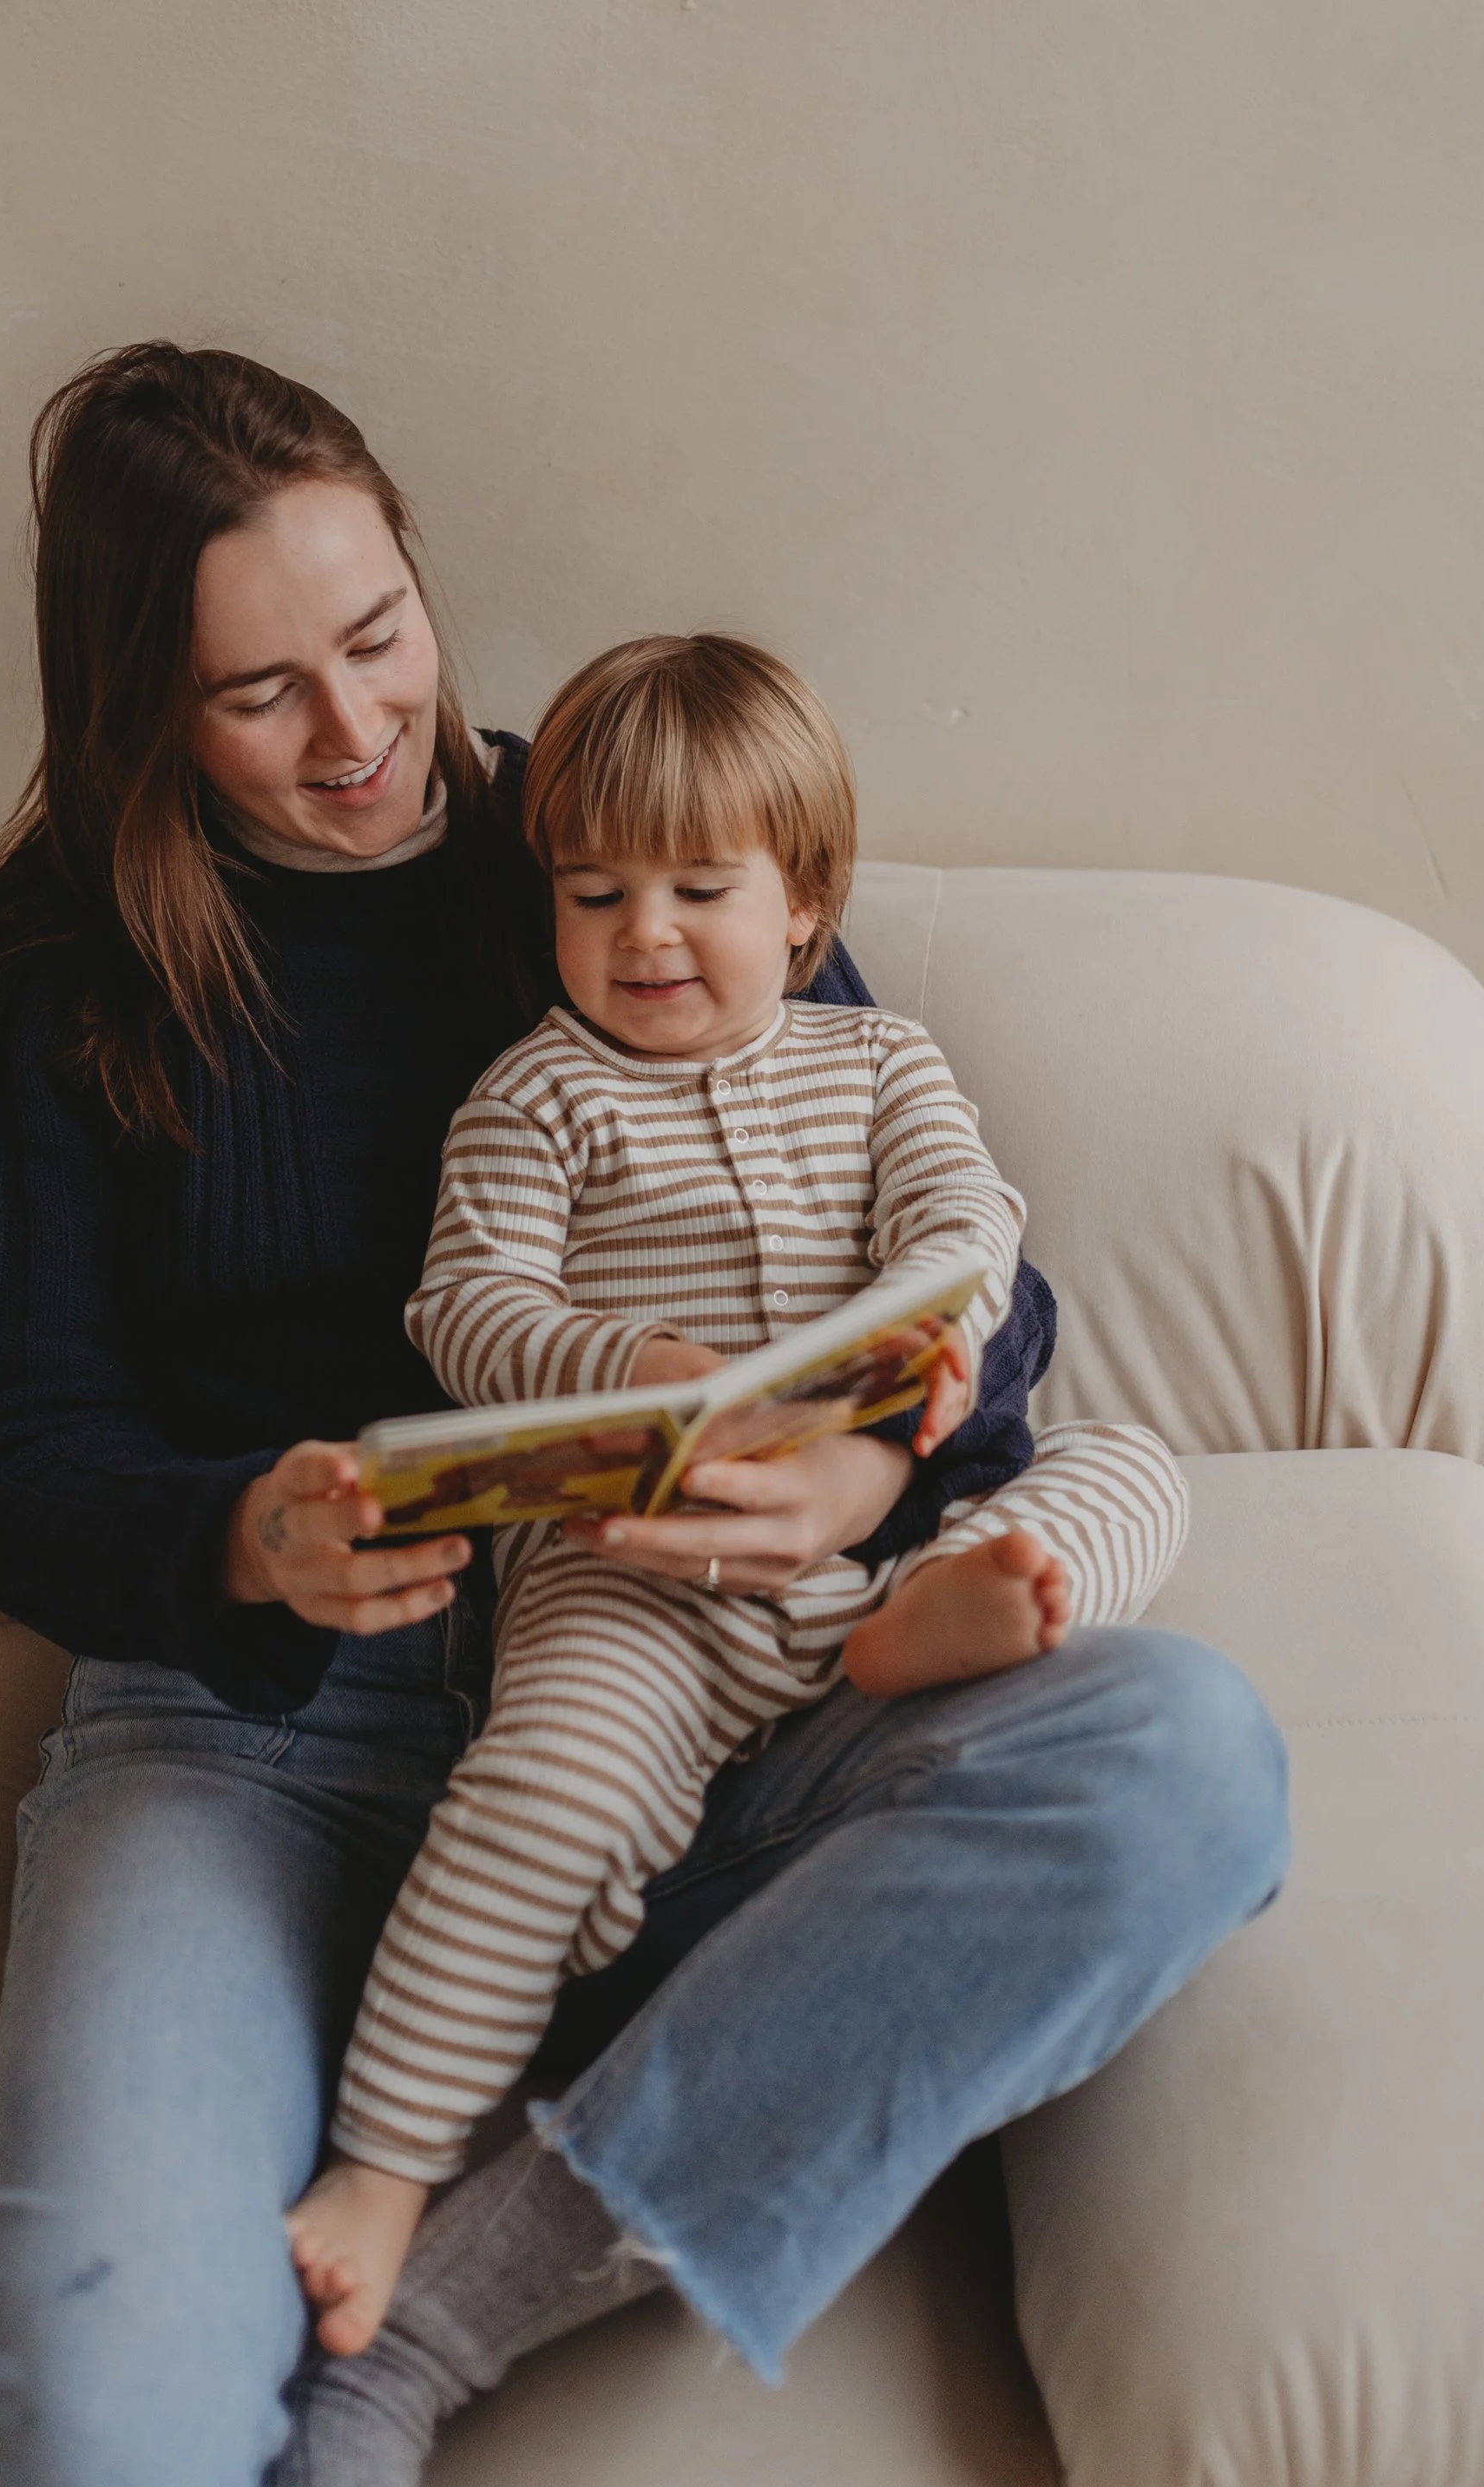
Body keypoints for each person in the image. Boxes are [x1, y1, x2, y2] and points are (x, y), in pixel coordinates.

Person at [0, 341, 1290, 2487]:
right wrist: (248, 1539)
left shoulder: (600, 839)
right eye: (258, 693)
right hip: (261, 1731)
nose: (357, 731)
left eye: (378, 636)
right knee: (87, 2429)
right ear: (136, 711)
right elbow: (14, 1466)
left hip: (717, 1662)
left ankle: (430, 2324)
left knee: (1179, 1758)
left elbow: (959, 1272)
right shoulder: (48, 971)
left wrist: (855, 1464)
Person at [283, 634, 1190, 2353]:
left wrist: (910, 1350)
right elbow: (463, 1307)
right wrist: (629, 1360)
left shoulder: (883, 1064)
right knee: (537, 1794)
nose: (643, 933)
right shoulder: (532, 1100)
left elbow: (968, 1230)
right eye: (594, 893)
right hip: (634, 1574)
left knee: (1133, 1465)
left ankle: (947, 1615)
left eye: (699, 889)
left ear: (803, 907)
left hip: (890, 1548)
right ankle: (388, 2171)